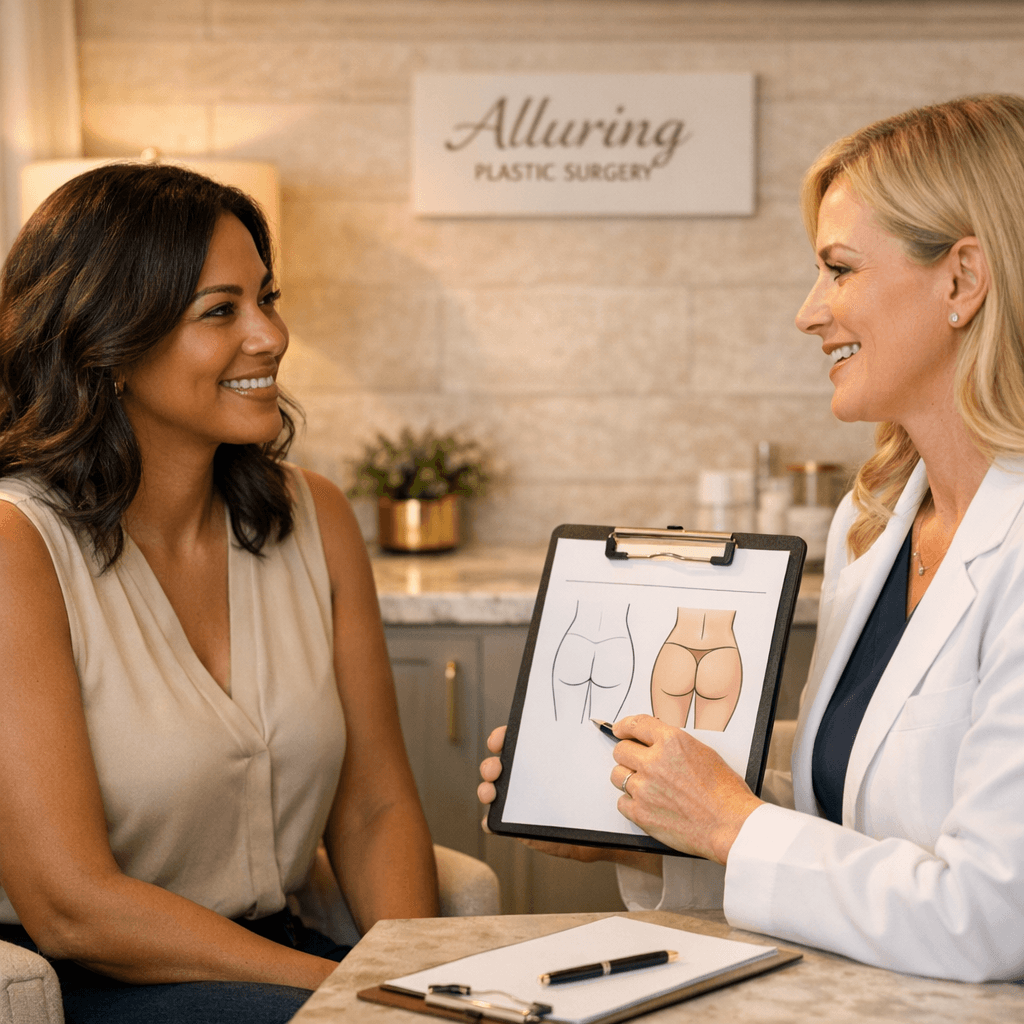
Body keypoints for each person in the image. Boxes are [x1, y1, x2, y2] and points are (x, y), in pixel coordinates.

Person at [479, 93, 1024, 982]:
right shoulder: (875, 525)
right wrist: (651, 819)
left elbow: (994, 918)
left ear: (962, 280)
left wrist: (729, 822)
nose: (809, 313)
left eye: (839, 269)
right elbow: (841, 824)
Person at [0, 163, 439, 1024]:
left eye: (266, 299)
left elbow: (373, 805)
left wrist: (425, 983)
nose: (270, 336)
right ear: (107, 344)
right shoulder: (18, 547)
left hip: (282, 964)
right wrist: (347, 990)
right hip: (101, 986)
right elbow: (71, 905)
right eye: (220, 311)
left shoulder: (316, 516)